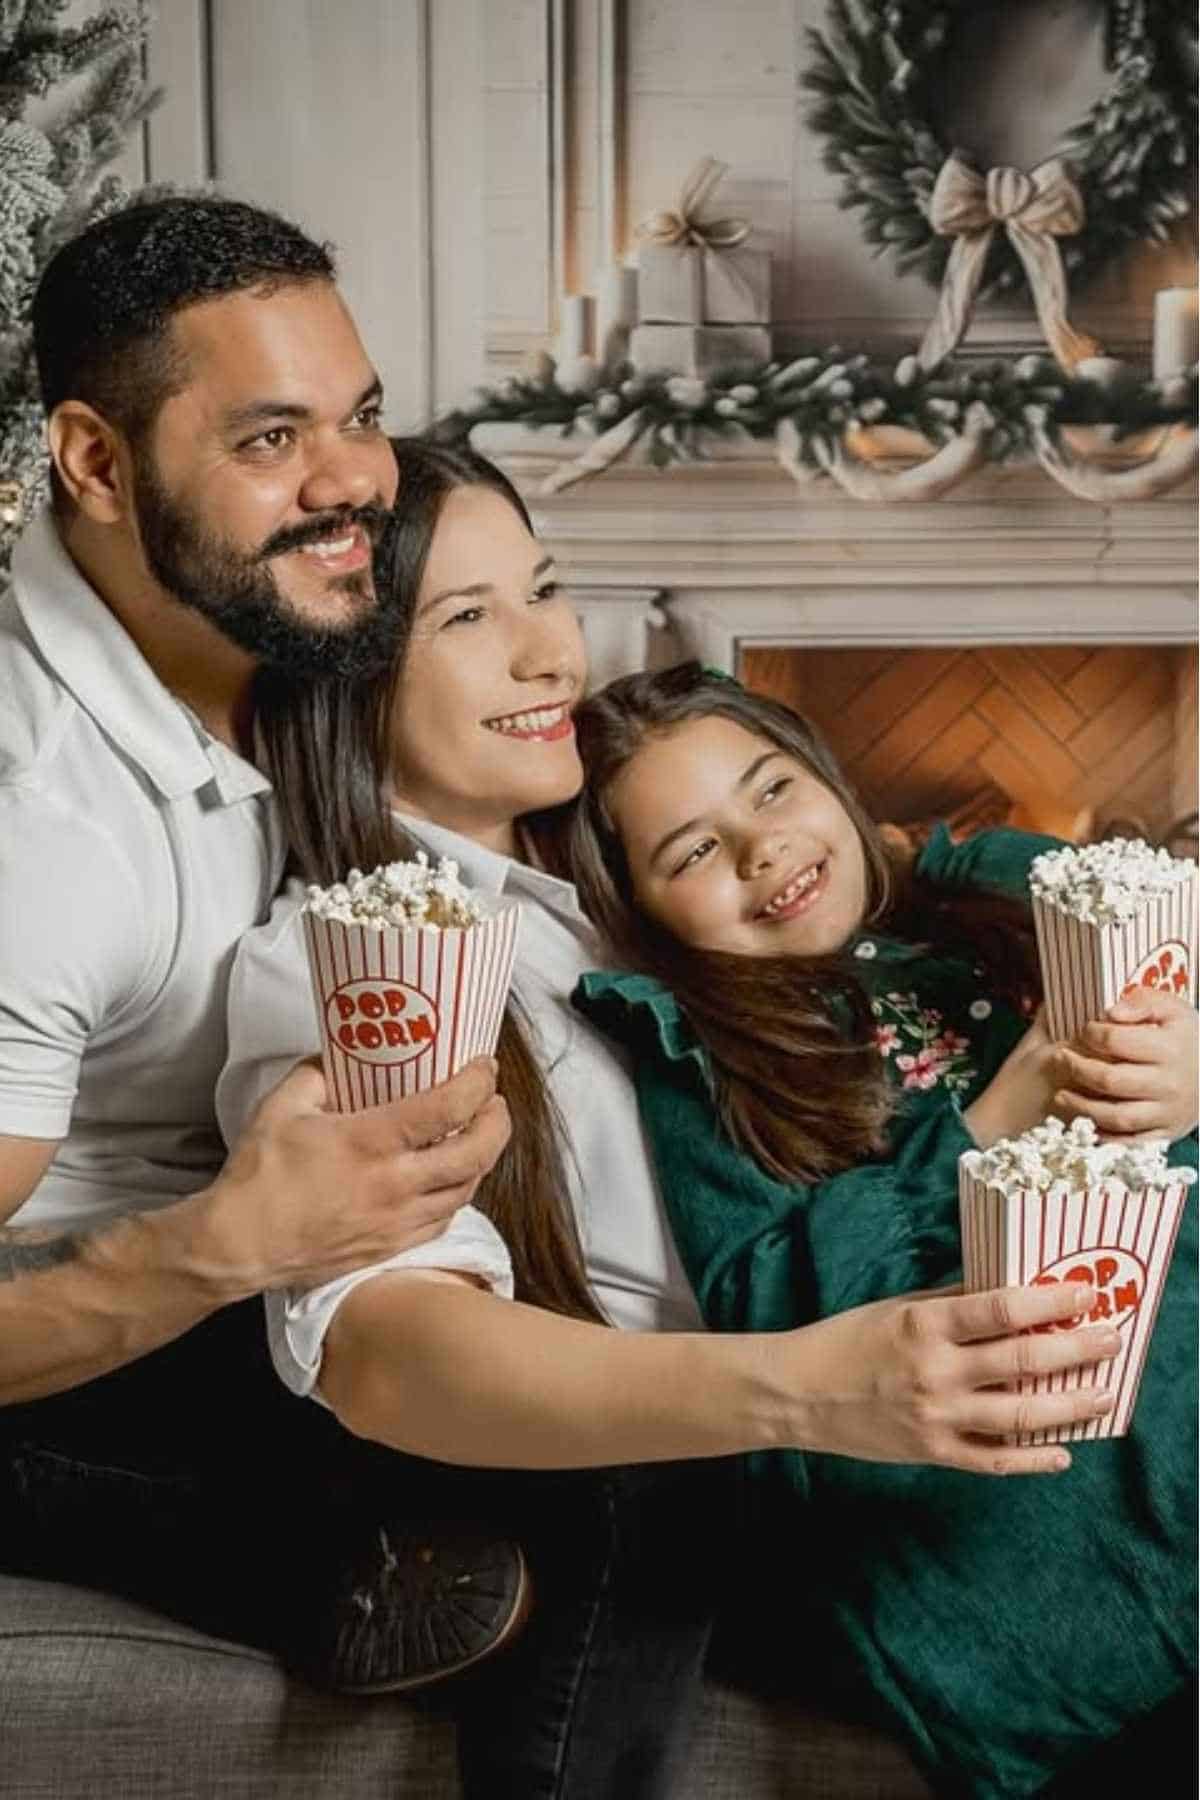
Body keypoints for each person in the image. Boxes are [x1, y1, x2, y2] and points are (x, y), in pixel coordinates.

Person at [219, 439, 1129, 1795]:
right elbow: (386, 1351)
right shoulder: (361, 965)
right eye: (470, 619)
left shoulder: (640, 866)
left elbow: (898, 895)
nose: (549, 654)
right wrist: (815, 1387)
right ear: (340, 671)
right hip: (788, 1475)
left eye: (545, 587)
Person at [0, 195, 526, 1701]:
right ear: (96, 461)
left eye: (358, 414)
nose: (355, 478)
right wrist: (233, 1244)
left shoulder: (273, 624)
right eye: (268, 439)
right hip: (116, 1319)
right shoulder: (42, 835)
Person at [556, 659, 1198, 1799]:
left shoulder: (986, 914)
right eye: (692, 851)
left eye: (772, 789)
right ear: (639, 910)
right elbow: (776, 1301)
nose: (763, 850)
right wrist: (995, 1114)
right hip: (1037, 1478)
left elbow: (1128, 911)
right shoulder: (699, 1052)